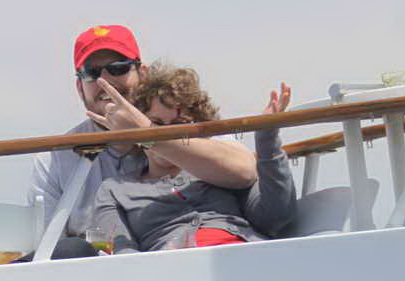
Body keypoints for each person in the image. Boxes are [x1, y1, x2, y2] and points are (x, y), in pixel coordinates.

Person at [29, 25, 259, 247]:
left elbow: (246, 171)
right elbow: (47, 250)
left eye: (118, 68)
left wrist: (147, 131)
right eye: (92, 72)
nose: (105, 81)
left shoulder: (183, 123)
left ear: (143, 74)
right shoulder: (54, 161)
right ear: (80, 87)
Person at [90, 62, 295, 252]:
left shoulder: (220, 170)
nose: (167, 133)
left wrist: (267, 139)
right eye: (156, 124)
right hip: (172, 271)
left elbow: (277, 217)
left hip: (246, 258)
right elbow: (118, 254)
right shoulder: (113, 190)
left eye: (179, 125)